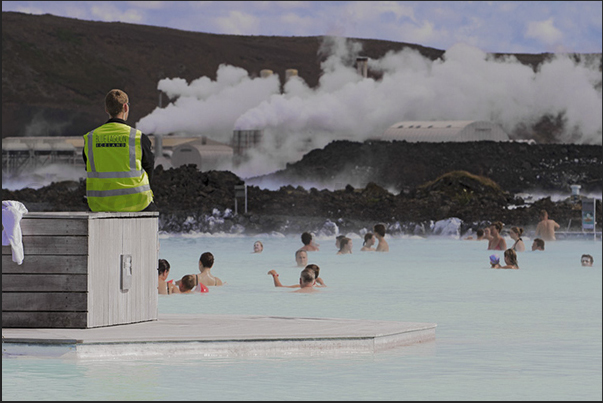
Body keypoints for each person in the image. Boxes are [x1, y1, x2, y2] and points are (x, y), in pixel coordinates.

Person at [82, 89, 156, 212]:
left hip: (100, 203)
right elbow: (149, 167)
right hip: (137, 202)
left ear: (106, 109)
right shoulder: (137, 137)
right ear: (125, 107)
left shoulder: (90, 138)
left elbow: (88, 166)